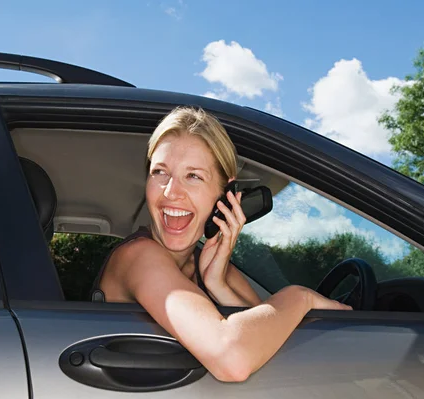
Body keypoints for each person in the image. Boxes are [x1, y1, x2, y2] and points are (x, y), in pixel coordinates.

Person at [93, 106, 351, 382]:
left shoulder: (210, 265)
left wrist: (219, 285)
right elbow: (233, 359)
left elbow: (269, 344)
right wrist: (301, 296)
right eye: (160, 172)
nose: (171, 192)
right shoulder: (138, 257)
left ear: (224, 193)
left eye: (193, 176)